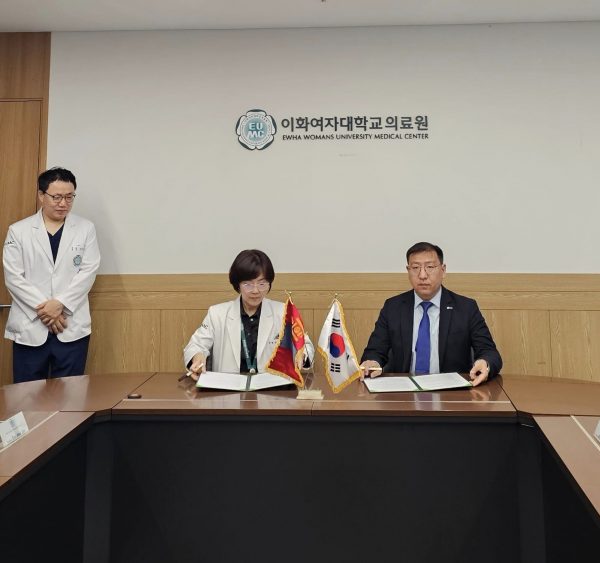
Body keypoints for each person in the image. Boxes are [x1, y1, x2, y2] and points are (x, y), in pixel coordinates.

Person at [3, 167, 101, 382]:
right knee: (27, 394)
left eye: (69, 197)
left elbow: (88, 271)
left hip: (70, 325)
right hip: (30, 325)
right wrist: (46, 311)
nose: (63, 203)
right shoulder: (18, 231)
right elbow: (13, 277)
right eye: (56, 197)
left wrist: (60, 304)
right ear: (41, 195)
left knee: (70, 394)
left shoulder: (85, 229)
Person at [360, 242, 502, 386]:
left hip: (452, 391)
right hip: (403, 390)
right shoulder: (393, 307)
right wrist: (373, 362)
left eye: (430, 267)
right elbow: (374, 351)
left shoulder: (466, 308)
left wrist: (484, 362)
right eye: (415, 268)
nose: (422, 275)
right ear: (408, 270)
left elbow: (489, 352)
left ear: (443, 270)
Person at [184, 249, 314, 379]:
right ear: (238, 284)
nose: (255, 290)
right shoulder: (217, 314)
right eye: (248, 284)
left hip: (272, 387)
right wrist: (197, 356)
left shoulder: (284, 312)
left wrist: (302, 355)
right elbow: (196, 345)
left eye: (262, 284)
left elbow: (305, 345)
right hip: (228, 387)